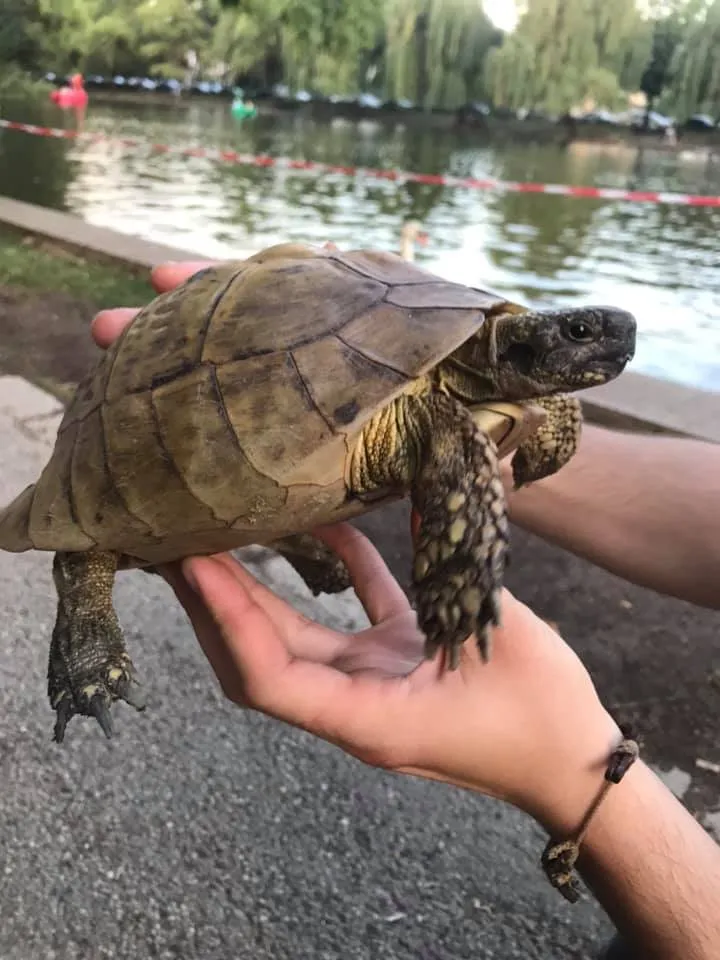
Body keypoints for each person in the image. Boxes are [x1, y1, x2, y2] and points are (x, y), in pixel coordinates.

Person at [93, 260, 720, 959]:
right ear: (514, 347)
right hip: (265, 425)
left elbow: (472, 430)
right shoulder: (467, 399)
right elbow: (455, 420)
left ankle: (281, 547)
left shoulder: (489, 409)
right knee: (111, 540)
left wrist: (568, 769)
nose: (606, 340)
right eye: (576, 332)